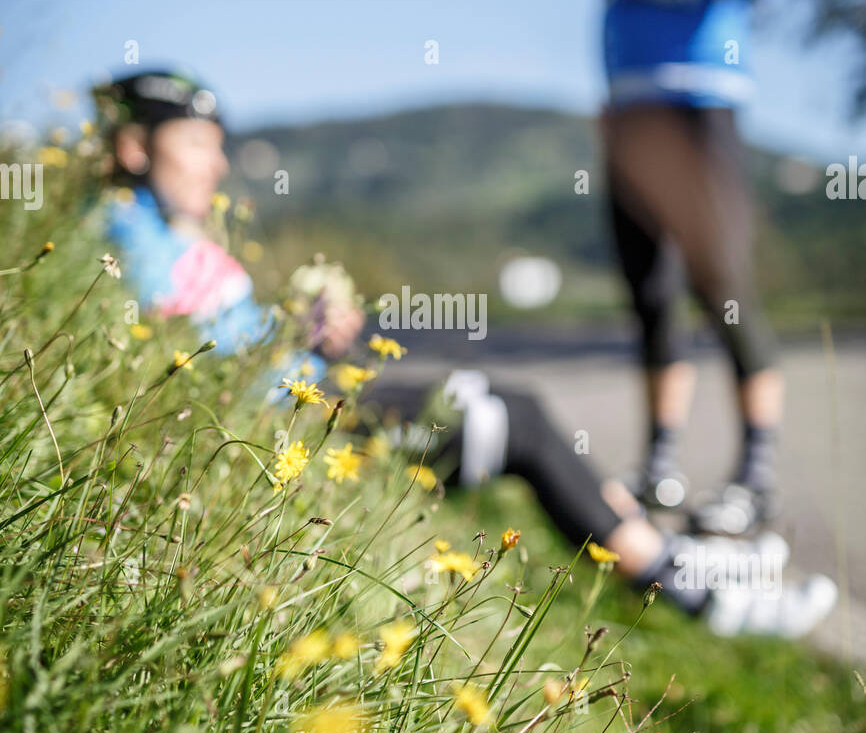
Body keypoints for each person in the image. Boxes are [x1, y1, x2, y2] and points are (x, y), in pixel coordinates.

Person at [95, 68, 836, 639]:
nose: (217, 165)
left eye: (220, 146)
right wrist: (291, 334)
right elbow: (184, 365)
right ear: (133, 147)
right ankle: (691, 592)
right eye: (197, 143)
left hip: (315, 409)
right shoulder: (121, 233)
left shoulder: (179, 233)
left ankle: (676, 562)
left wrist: (304, 328)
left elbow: (231, 343)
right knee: (510, 420)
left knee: (511, 405)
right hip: (285, 439)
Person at [568, 0, 787, 537]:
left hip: (700, 104)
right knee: (651, 292)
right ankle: (661, 469)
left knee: (721, 282)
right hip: (632, 113)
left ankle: (755, 474)